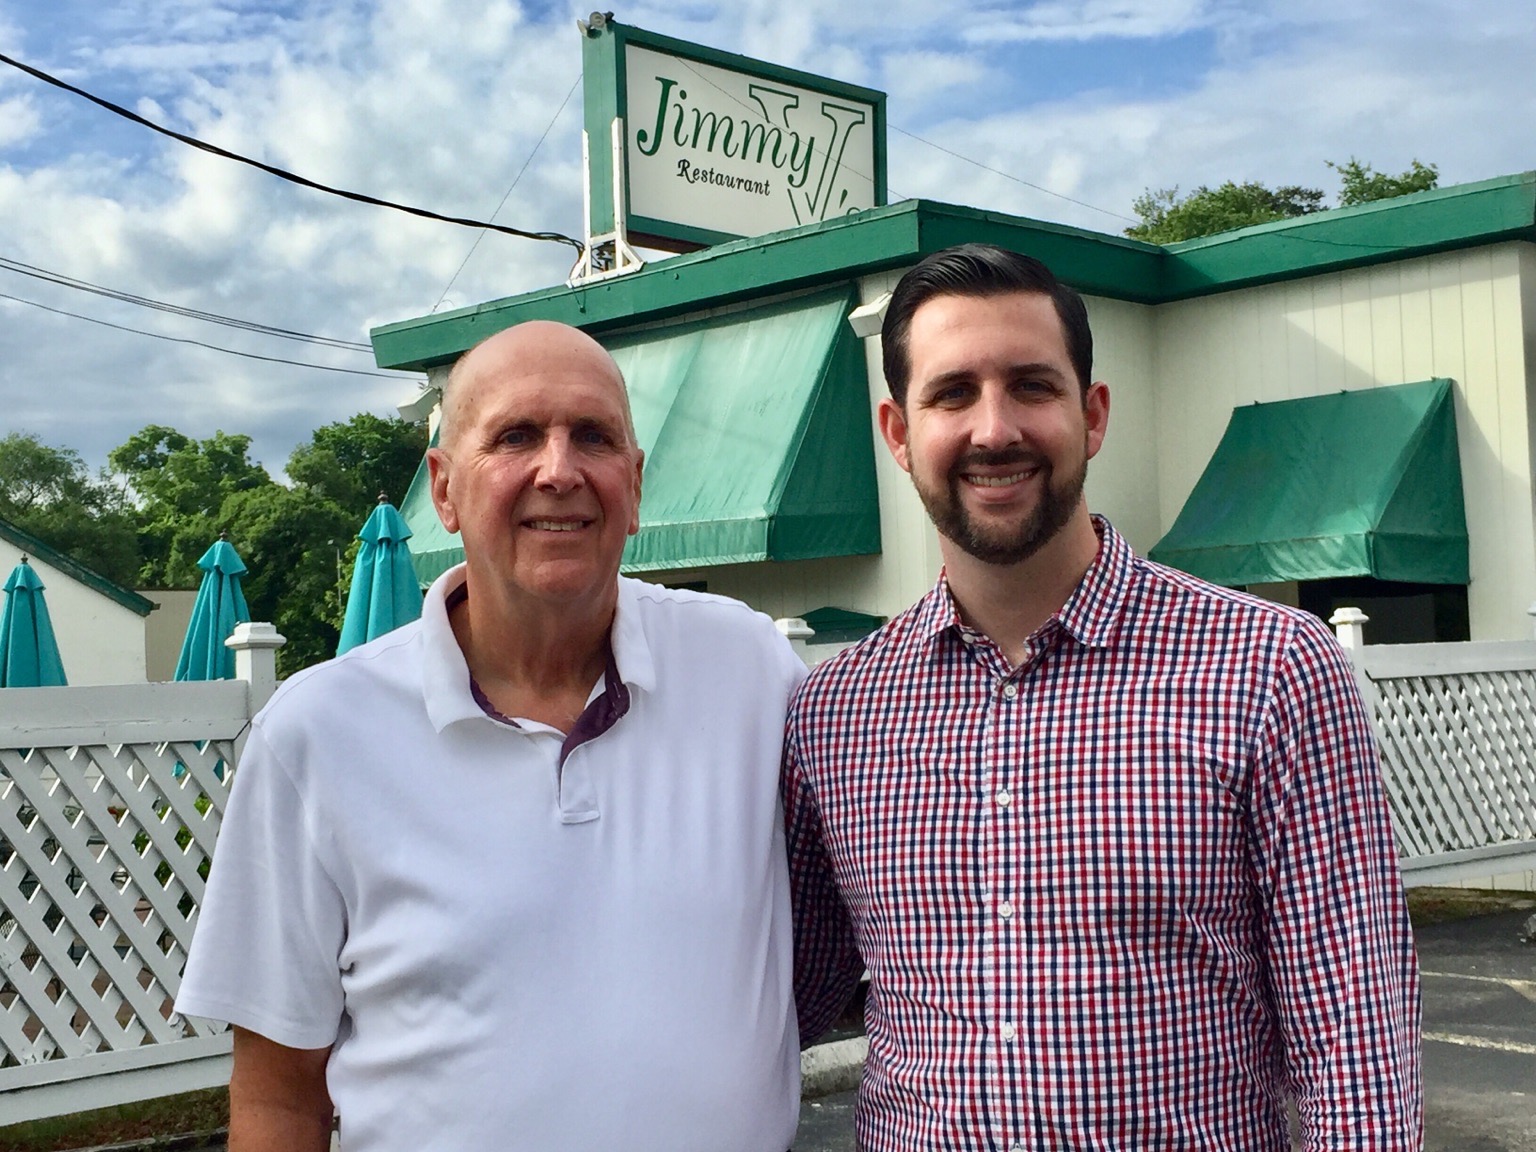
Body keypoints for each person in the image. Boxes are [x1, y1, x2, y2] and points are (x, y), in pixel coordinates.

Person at [784, 244, 1422, 1150]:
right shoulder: (833, 713)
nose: (994, 429)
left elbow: (1355, 1042)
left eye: (1032, 386)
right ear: (897, 432)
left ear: (1092, 415)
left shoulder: (1271, 671)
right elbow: (777, 1001)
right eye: (952, 393)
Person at [177, 321, 807, 1152]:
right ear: (443, 488)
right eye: (516, 436)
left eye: (594, 437)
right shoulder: (317, 734)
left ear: (636, 481)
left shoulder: (750, 669)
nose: (560, 470)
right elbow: (278, 1098)